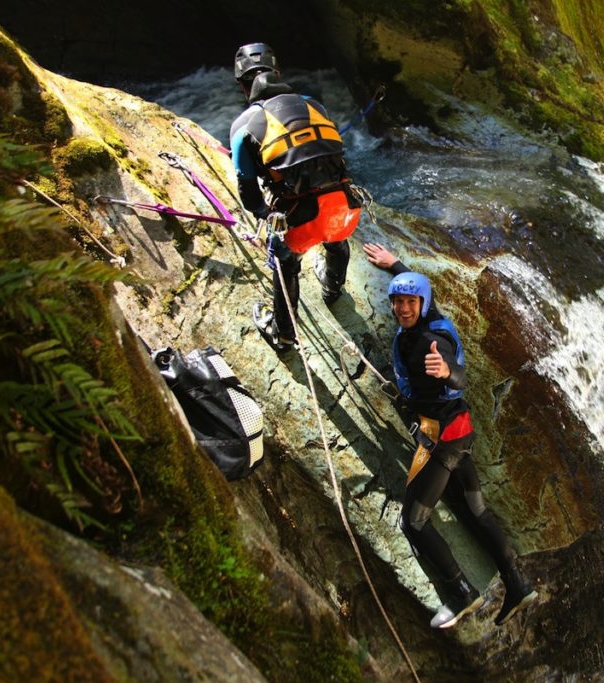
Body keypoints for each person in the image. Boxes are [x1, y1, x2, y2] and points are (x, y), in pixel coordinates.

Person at [364, 242, 539, 629]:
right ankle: (518, 584)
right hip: (460, 432)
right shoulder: (430, 317)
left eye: (410, 302)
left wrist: (447, 373)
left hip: (442, 440)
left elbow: (459, 373)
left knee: (414, 522)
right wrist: (395, 265)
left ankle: (460, 594)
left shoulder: (431, 342)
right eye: (399, 302)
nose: (403, 309)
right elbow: (414, 289)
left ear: (421, 304)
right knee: (475, 511)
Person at [229, 42, 362, 351]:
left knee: (284, 259)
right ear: (278, 74)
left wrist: (267, 214)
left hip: (302, 223)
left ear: (242, 86)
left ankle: (284, 335)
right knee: (335, 236)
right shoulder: (315, 105)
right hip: (346, 211)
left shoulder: (242, 127)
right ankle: (333, 288)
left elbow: (249, 195)